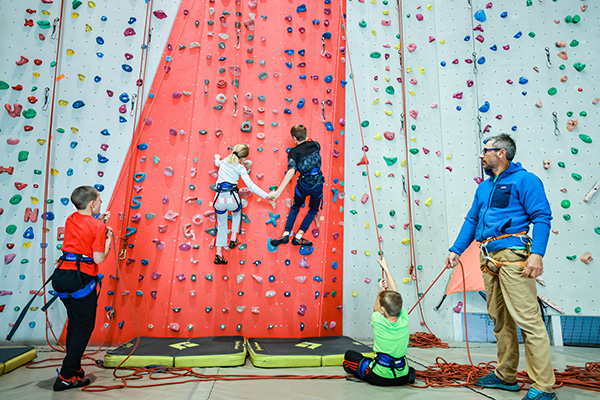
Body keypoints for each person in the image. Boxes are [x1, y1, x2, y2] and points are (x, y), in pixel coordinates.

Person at [445, 134, 556, 400]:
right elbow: (472, 219)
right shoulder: (484, 187)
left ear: (501, 153)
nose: (482, 156)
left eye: (486, 151)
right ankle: (505, 375)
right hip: (489, 257)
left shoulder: (525, 180)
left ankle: (543, 386)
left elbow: (542, 217)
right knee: (500, 319)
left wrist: (537, 254)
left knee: (528, 320)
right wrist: (456, 249)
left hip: (514, 256)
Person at [52, 186, 112, 391]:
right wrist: (108, 240)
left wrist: (99, 223)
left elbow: (83, 233)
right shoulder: (98, 227)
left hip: (60, 276)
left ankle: (74, 369)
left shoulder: (71, 219)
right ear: (92, 204)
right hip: (79, 278)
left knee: (75, 323)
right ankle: (66, 375)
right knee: (84, 326)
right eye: (99, 200)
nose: (101, 203)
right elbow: (98, 258)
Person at [343, 257, 415, 386]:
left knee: (350, 356)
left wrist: (380, 290)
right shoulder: (404, 318)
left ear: (383, 310)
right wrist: (386, 269)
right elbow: (396, 295)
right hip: (401, 376)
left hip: (379, 377)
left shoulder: (378, 320)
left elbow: (375, 308)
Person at [213, 144, 270, 264]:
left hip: (219, 199)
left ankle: (218, 254)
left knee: (222, 225)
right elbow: (251, 186)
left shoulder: (223, 162)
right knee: (236, 214)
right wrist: (266, 195)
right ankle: (233, 238)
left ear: (233, 151)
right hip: (232, 198)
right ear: (243, 159)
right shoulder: (240, 168)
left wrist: (216, 157)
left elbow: (217, 163)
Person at [269, 124, 324, 247]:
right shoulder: (316, 145)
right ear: (306, 136)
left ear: (294, 138)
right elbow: (310, 144)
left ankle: (285, 234)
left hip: (303, 186)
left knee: (295, 207)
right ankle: (298, 236)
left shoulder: (293, 152)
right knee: (314, 209)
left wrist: (278, 192)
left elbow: (291, 171)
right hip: (317, 185)